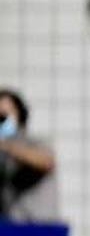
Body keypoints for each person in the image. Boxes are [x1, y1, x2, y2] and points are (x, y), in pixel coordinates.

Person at [0, 88, 56, 221]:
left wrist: (5, 144)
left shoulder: (33, 143)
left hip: (40, 225)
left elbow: (46, 162)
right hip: (10, 225)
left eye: (4, 116)